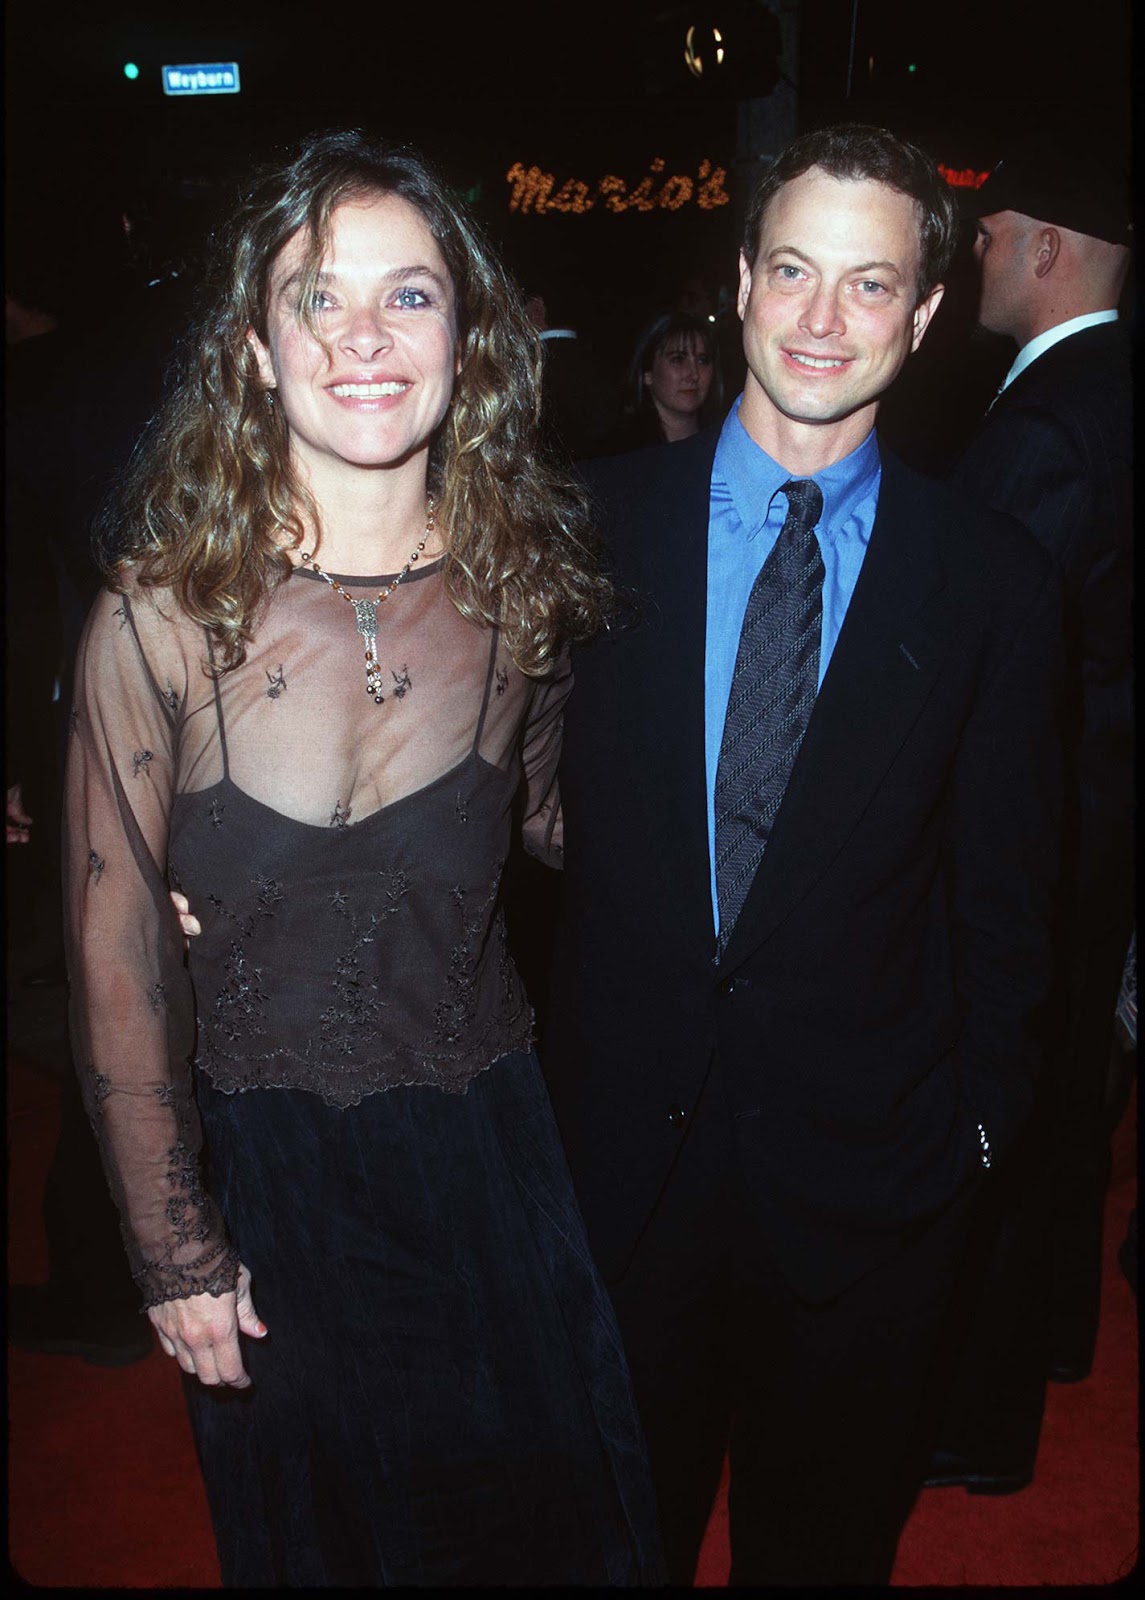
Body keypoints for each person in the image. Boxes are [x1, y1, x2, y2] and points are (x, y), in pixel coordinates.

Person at [63, 129, 663, 1588]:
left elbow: (564, 829)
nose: (363, 339)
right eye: (314, 298)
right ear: (254, 350)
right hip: (274, 1181)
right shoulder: (159, 620)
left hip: (489, 1161)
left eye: (408, 296)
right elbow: (115, 947)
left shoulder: (525, 596)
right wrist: (174, 1249)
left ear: (469, 340)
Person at [542, 122, 1064, 1585]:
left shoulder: (991, 584)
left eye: (869, 283)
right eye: (791, 271)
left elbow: (1016, 898)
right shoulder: (583, 530)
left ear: (924, 313)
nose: (823, 320)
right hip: (615, 1176)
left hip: (870, 1192)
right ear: (737, 283)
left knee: (822, 1554)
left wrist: (970, 1136)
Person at [925, 139, 1134, 1494]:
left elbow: (991, 656)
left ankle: (977, 1429)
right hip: (1104, 813)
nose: (979, 253)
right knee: (1069, 1102)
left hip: (1045, 821)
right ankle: (1058, 1340)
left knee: (1002, 1116)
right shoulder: (1105, 389)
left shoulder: (1051, 420)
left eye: (993, 234)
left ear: (1049, 245)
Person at [599, 310, 720, 453]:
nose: (693, 374)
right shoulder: (618, 453)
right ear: (647, 373)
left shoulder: (726, 442)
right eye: (678, 359)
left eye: (702, 360)